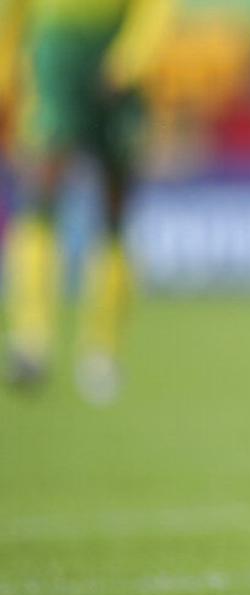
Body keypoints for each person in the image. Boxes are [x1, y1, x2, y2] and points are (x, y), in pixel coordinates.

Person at [0, 0, 173, 404]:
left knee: (115, 208)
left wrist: (130, 59)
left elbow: (156, 7)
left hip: (113, 57)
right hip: (55, 53)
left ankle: (103, 350)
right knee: (40, 191)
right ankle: (31, 339)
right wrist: (8, 72)